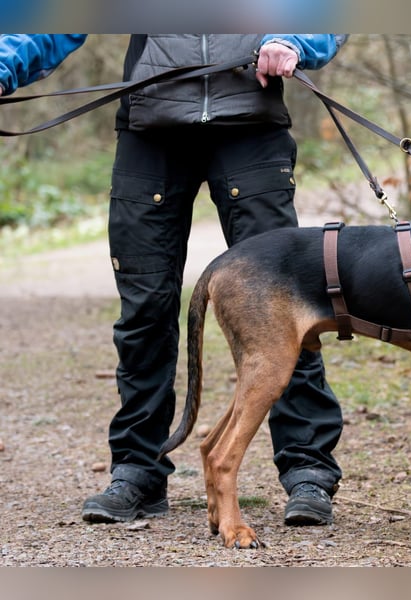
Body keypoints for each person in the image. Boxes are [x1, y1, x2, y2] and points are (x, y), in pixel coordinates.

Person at [0, 34, 345, 527]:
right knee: (144, 306)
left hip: (251, 122)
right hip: (150, 127)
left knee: (283, 305)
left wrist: (295, 40)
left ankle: (308, 469)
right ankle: (138, 469)